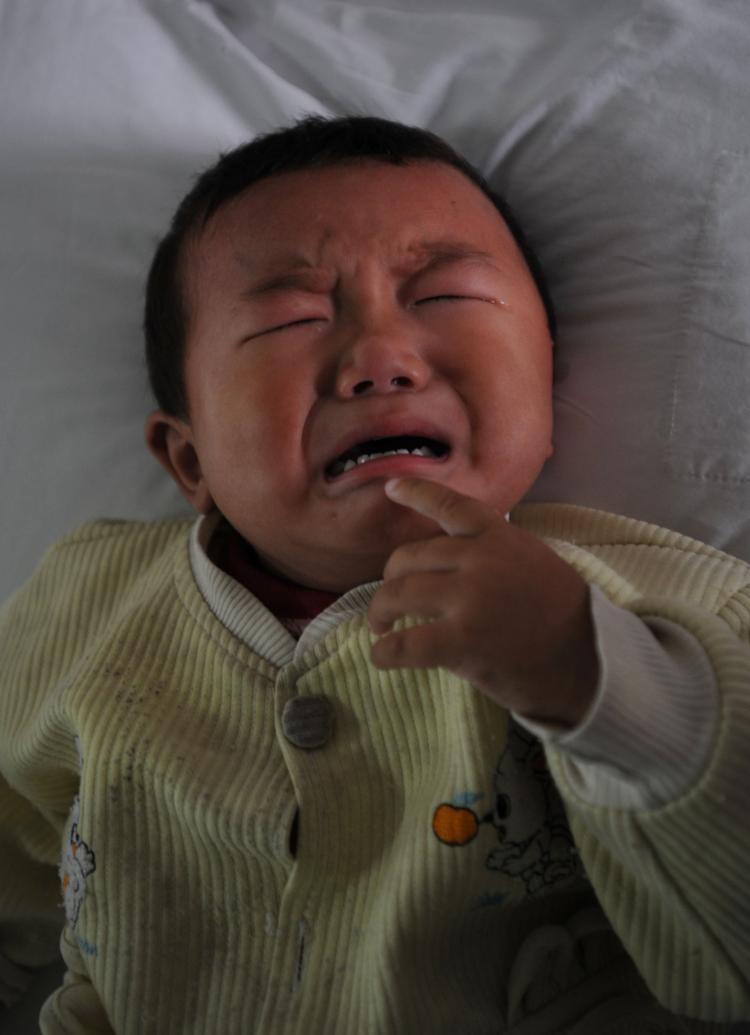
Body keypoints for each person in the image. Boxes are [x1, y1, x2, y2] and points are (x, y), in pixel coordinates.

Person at [1, 115, 748, 1035]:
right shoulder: (83, 600)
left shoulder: (666, 610)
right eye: (292, 318)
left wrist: (598, 681)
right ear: (188, 460)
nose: (380, 359)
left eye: (445, 298)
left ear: (548, 402)